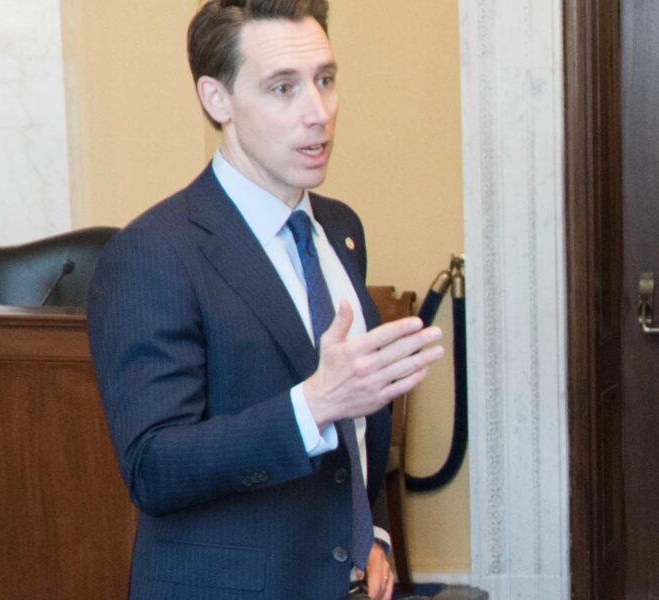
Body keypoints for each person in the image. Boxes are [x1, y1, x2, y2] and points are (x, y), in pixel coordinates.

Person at [86, 1, 444, 598]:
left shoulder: (341, 227)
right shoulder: (153, 252)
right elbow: (153, 467)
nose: (318, 113)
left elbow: (358, 433)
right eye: (283, 88)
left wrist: (371, 532)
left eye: (325, 81)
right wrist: (312, 405)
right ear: (215, 99)